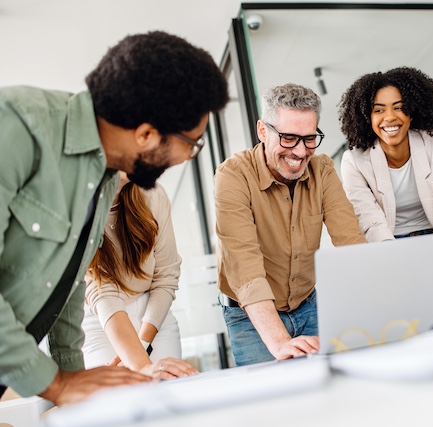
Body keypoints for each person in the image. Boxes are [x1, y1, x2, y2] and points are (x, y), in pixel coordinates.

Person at [0, 30, 228, 405]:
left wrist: (73, 381)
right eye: (191, 143)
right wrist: (56, 384)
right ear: (146, 134)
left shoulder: (106, 177)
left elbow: (68, 290)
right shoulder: (18, 127)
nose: (188, 157)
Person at [215, 83, 366, 366]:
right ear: (263, 131)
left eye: (309, 139)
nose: (300, 152)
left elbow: (351, 242)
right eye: (288, 138)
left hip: (308, 306)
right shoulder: (233, 175)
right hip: (251, 317)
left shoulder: (322, 169)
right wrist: (281, 342)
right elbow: (244, 266)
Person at [338, 66, 433, 316]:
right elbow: (373, 226)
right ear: (366, 117)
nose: (390, 117)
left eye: (399, 107)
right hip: (391, 250)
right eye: (378, 110)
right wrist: (401, 284)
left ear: (412, 111)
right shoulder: (354, 161)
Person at [82, 172, 192, 377]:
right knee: (116, 400)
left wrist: (142, 344)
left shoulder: (153, 195)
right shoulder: (77, 207)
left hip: (153, 318)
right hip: (102, 321)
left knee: (166, 393)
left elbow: (166, 276)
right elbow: (101, 291)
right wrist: (139, 363)